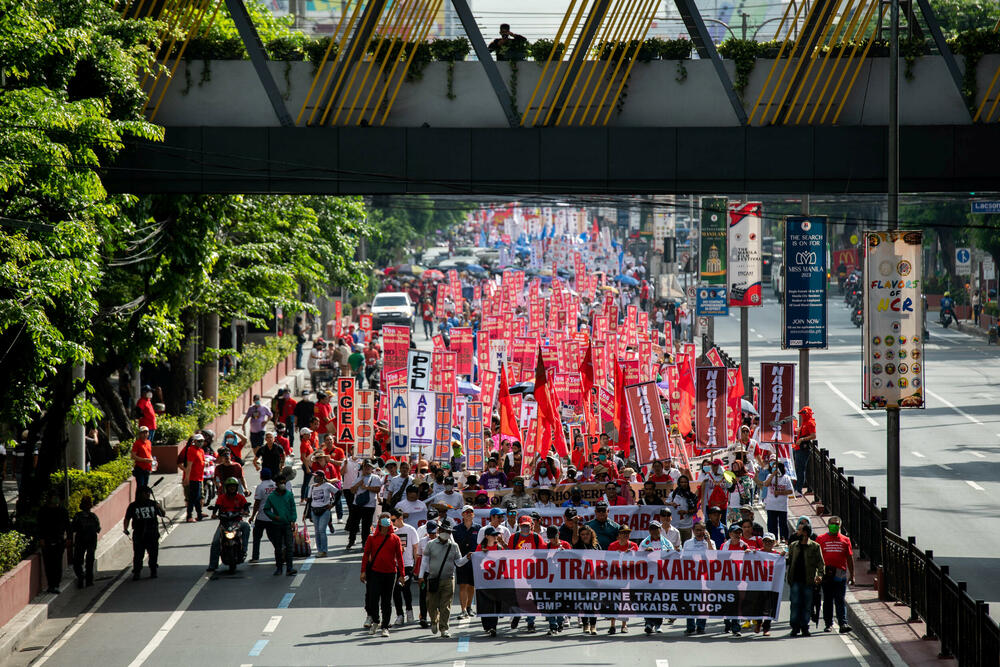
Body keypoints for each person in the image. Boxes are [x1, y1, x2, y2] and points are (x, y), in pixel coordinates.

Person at [418, 521, 469, 638]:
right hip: (433, 578)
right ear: (439, 531)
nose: (446, 533)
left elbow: (458, 563)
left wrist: (467, 557)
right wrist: (420, 576)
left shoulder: (454, 546)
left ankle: (444, 628)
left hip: (448, 579)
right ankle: (434, 620)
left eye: (448, 532)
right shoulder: (430, 544)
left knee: (446, 605)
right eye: (444, 531)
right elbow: (424, 561)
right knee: (431, 604)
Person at [361, 512, 405, 637]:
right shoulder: (372, 538)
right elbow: (366, 555)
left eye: (388, 519)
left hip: (390, 574)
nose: (386, 520)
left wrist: (402, 574)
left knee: (386, 601)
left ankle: (385, 626)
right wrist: (363, 571)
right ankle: (376, 621)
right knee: (373, 599)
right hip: (375, 573)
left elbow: (399, 557)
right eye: (383, 519)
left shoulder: (395, 538)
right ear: (379, 522)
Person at [816, 516, 855, 634]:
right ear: (828, 525)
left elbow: (849, 558)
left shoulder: (845, 540)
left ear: (840, 525)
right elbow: (816, 558)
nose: (834, 526)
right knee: (828, 599)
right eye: (832, 523)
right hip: (826, 574)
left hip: (840, 574)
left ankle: (843, 623)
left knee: (840, 599)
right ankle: (828, 624)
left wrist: (852, 575)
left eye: (837, 524)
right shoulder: (820, 539)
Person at [787, 519, 825, 637]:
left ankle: (804, 626)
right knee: (795, 604)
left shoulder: (815, 546)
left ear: (805, 533)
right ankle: (795, 627)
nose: (797, 532)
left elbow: (820, 563)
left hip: (808, 581)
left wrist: (819, 575)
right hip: (795, 581)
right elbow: (789, 560)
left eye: (799, 530)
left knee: (807, 605)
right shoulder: (793, 546)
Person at [207, 477, 251, 572]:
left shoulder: (240, 497)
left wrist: (246, 511)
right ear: (226, 487)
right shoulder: (221, 498)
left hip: (237, 522)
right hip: (224, 524)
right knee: (215, 542)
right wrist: (214, 514)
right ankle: (213, 565)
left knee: (247, 526)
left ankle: (244, 549)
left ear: (236, 487)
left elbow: (246, 507)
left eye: (233, 486)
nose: (232, 488)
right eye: (230, 486)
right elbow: (217, 507)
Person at [124, 485, 165, 580]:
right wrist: (125, 529)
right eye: (146, 493)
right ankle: (137, 572)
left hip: (152, 533)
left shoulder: (153, 504)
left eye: (149, 493)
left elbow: (163, 514)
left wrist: (159, 507)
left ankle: (153, 570)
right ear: (140, 494)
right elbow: (127, 518)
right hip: (139, 534)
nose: (148, 495)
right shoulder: (133, 506)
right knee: (138, 554)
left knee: (153, 553)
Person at [682, 522, 716, 635]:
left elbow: (714, 557)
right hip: (691, 577)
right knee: (691, 601)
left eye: (701, 530)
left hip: (705, 576)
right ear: (693, 531)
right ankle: (690, 626)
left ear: (705, 531)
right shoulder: (687, 543)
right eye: (697, 530)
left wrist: (708, 541)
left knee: (703, 602)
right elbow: (683, 559)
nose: (699, 532)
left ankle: (701, 626)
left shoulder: (711, 543)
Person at [262, 474, 297, 575]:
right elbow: (266, 509)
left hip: (287, 525)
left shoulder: (289, 495)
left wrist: (293, 520)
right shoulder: (272, 497)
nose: (282, 484)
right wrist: (273, 517)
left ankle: (289, 568)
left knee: (289, 547)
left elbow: (293, 508)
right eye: (280, 482)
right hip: (276, 525)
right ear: (276, 484)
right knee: (278, 548)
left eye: (284, 482)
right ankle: (279, 568)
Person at [390, 508, 419, 626]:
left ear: (400, 518)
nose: (392, 522)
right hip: (394, 566)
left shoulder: (410, 530)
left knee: (405, 588)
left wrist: (416, 565)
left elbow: (415, 548)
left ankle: (409, 611)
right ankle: (400, 615)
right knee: (396, 590)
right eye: (391, 520)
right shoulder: (392, 531)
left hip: (407, 565)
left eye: (393, 520)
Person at [39, 494, 71, 593]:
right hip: (47, 541)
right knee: (48, 564)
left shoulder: (63, 511)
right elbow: (40, 526)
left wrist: (69, 538)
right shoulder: (43, 511)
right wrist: (41, 538)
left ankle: (56, 584)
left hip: (59, 540)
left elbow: (68, 525)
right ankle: (51, 585)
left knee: (57, 563)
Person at [347, 459, 382, 549]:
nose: (367, 468)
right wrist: (358, 484)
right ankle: (351, 540)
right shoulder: (358, 478)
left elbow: (378, 489)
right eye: (365, 466)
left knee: (366, 525)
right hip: (357, 504)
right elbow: (352, 491)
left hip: (369, 505)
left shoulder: (375, 478)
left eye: (369, 467)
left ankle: (365, 542)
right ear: (362, 468)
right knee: (354, 524)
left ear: (372, 468)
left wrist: (367, 487)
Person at [476, 526, 504, 637]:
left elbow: (505, 561)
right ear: (487, 536)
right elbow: (476, 562)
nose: (495, 537)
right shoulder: (480, 547)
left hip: (496, 580)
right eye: (493, 535)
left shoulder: (499, 548)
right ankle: (487, 625)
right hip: (483, 580)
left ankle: (493, 626)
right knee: (485, 603)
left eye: (496, 535)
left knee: (495, 603)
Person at [574, 523, 601, 634]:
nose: (585, 536)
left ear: (591, 535)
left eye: (587, 534)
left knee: (593, 602)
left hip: (594, 578)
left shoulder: (596, 546)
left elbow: (602, 560)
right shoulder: (577, 546)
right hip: (581, 579)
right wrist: (575, 524)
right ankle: (586, 624)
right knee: (584, 602)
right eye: (582, 534)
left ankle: (593, 625)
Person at [453, 506, 479, 619]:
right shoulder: (456, 529)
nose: (468, 514)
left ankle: (469, 608)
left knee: (471, 585)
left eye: (471, 512)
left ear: (473, 514)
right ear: (462, 514)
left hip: (475, 560)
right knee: (463, 585)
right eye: (466, 512)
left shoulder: (478, 528)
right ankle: (463, 610)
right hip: (461, 560)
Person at [70, 495, 101, 588]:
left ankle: (82, 576)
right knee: (89, 561)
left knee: (78, 561)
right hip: (89, 540)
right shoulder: (93, 516)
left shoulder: (78, 516)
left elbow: (73, 528)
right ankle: (88, 580)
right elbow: (98, 529)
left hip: (82, 540)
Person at [248, 468, 277, 562]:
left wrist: (252, 516)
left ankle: (255, 557)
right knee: (273, 537)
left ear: (261, 476)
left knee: (256, 537)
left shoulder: (260, 487)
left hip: (262, 516)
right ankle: (280, 553)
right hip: (274, 516)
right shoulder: (276, 485)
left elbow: (257, 503)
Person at [308, 470, 337, 557]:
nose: (315, 478)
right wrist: (307, 513)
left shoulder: (327, 485)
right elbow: (309, 500)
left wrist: (333, 505)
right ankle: (319, 550)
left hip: (324, 510)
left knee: (321, 530)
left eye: (316, 476)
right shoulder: (312, 487)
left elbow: (338, 492)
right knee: (317, 531)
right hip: (314, 511)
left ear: (321, 477)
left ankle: (324, 551)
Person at [764, 460, 794, 541]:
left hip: (782, 506)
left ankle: (784, 538)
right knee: (772, 524)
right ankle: (774, 539)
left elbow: (790, 491)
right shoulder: (769, 476)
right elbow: (766, 484)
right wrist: (772, 475)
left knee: (783, 524)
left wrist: (780, 492)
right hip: (771, 505)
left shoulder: (786, 478)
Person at [181, 433, 206, 522]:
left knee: (197, 497)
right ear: (194, 441)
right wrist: (187, 478)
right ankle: (189, 516)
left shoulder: (201, 451)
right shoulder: (191, 450)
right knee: (192, 498)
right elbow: (189, 465)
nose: (200, 443)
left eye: (202, 441)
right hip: (193, 478)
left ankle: (199, 514)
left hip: (199, 477)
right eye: (199, 441)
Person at [668, 474, 697, 542]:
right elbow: (666, 503)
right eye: (681, 482)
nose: (683, 484)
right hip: (675, 525)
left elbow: (695, 510)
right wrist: (671, 504)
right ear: (678, 483)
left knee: (686, 545)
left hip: (687, 526)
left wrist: (686, 512)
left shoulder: (692, 496)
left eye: (685, 482)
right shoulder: (673, 494)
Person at [794, 406, 817, 493]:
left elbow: (813, 435)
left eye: (805, 413)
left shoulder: (810, 423)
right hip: (798, 448)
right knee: (798, 469)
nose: (803, 415)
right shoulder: (805, 422)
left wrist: (802, 439)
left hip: (803, 449)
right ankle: (797, 488)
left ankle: (799, 489)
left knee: (800, 469)